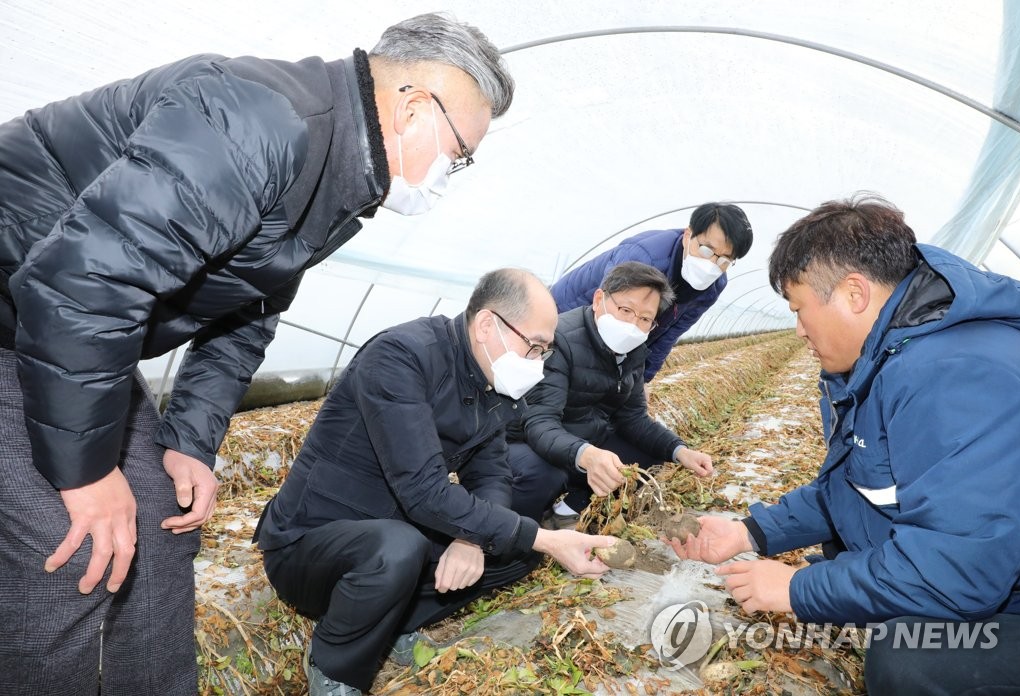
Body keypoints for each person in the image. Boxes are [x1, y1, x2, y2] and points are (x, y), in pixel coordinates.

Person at [0, 12, 514, 694]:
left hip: (67, 328)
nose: (453, 172)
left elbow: (246, 315)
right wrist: (86, 474)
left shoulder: (336, 176)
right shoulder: (256, 121)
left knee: (163, 523)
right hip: (29, 312)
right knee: (71, 544)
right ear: (414, 105)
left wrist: (188, 440)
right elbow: (82, 281)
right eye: (460, 152)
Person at [670, 194, 1020, 695]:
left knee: (909, 657)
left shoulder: (959, 376)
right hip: (993, 581)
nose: (798, 330)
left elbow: (957, 572)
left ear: (854, 293)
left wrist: (797, 589)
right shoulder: (886, 360)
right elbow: (855, 486)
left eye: (800, 309)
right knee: (842, 562)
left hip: (999, 595)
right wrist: (750, 534)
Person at [255, 268, 615, 696]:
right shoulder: (400, 357)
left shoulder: (493, 382)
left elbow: (492, 473)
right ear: (487, 325)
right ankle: (333, 667)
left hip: (399, 526)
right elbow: (423, 490)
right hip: (313, 543)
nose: (537, 362)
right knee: (400, 548)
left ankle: (393, 627)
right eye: (534, 346)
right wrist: (549, 539)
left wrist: (473, 539)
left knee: (517, 553)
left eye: (545, 351)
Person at [508, 261, 714, 529]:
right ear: (599, 299)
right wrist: (586, 454)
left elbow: (634, 418)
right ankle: (520, 535)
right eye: (626, 310)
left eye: (645, 319)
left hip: (584, 436)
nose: (632, 324)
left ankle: (566, 511)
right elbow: (539, 423)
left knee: (647, 453)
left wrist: (679, 450)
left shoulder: (635, 351)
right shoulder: (561, 340)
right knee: (542, 473)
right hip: (531, 440)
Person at [550, 203, 754, 384]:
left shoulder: (713, 286)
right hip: (565, 313)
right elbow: (604, 320)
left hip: (607, 323)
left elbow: (669, 334)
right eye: (707, 250)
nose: (711, 265)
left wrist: (641, 381)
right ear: (688, 236)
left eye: (724, 260)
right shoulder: (644, 258)